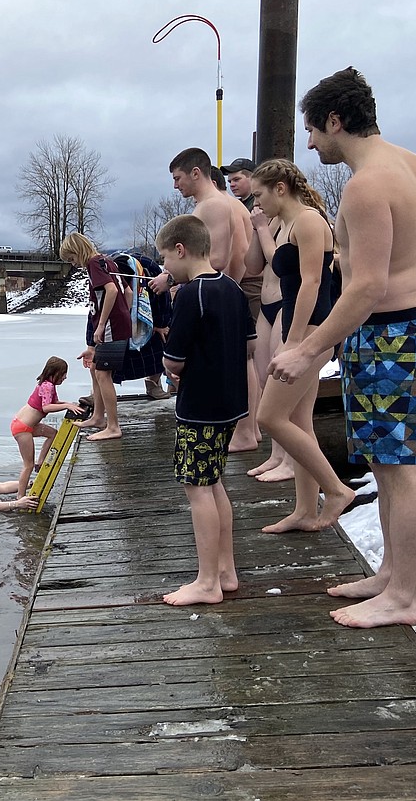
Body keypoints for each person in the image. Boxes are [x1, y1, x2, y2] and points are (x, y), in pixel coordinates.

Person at [268, 67, 416, 629]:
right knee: (388, 465)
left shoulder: (366, 184)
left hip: (389, 337)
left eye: (312, 130)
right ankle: (390, 574)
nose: (310, 143)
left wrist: (309, 351)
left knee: (403, 468)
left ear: (336, 121)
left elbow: (367, 285)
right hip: (402, 330)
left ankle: (406, 595)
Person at [156, 215, 256, 606]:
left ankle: (207, 581)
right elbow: (249, 343)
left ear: (180, 249)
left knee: (197, 489)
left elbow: (174, 361)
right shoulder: (230, 287)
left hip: (199, 407)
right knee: (215, 484)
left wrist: (174, 367)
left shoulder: (191, 294)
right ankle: (226, 571)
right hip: (230, 405)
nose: (165, 267)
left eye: (165, 259)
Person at [249, 159, 343, 533]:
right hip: (300, 328)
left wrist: (294, 341)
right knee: (300, 422)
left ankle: (336, 489)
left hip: (311, 331)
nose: (257, 203)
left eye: (259, 195)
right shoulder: (286, 223)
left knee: (269, 417)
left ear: (280, 189)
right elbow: (274, 263)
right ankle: (305, 510)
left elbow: (312, 283)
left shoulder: (308, 221)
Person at [161, 148, 260, 453]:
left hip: (235, 289)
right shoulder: (221, 203)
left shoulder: (214, 205)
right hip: (233, 289)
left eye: (178, 178)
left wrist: (173, 279)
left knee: (244, 359)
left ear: (195, 173)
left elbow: (215, 259)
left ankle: (245, 431)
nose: (176, 185)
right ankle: (248, 429)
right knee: (244, 359)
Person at [242, 190, 295, 483]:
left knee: (280, 383)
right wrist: (256, 228)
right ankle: (276, 454)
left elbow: (279, 264)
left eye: (260, 196)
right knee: (264, 378)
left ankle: (290, 460)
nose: (257, 203)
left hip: (286, 304)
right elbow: (252, 266)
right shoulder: (269, 223)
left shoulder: (295, 221)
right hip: (266, 305)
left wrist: (263, 228)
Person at [58, 232, 131, 441]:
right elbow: (128, 292)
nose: (74, 264)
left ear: (77, 251)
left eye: (72, 259)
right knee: (95, 368)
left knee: (102, 374)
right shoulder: (108, 261)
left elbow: (112, 291)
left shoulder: (93, 263)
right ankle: (98, 417)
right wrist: (125, 315)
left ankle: (113, 426)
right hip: (118, 323)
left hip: (110, 327)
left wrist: (101, 325)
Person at [11, 356, 84, 497]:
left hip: (28, 424)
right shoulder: (47, 386)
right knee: (28, 465)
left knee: (53, 434)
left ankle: (41, 462)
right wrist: (66, 406)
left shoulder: (50, 386)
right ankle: (20, 497)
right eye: (63, 374)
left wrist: (70, 404)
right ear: (54, 373)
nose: (65, 377)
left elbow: (55, 402)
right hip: (22, 428)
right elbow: (46, 407)